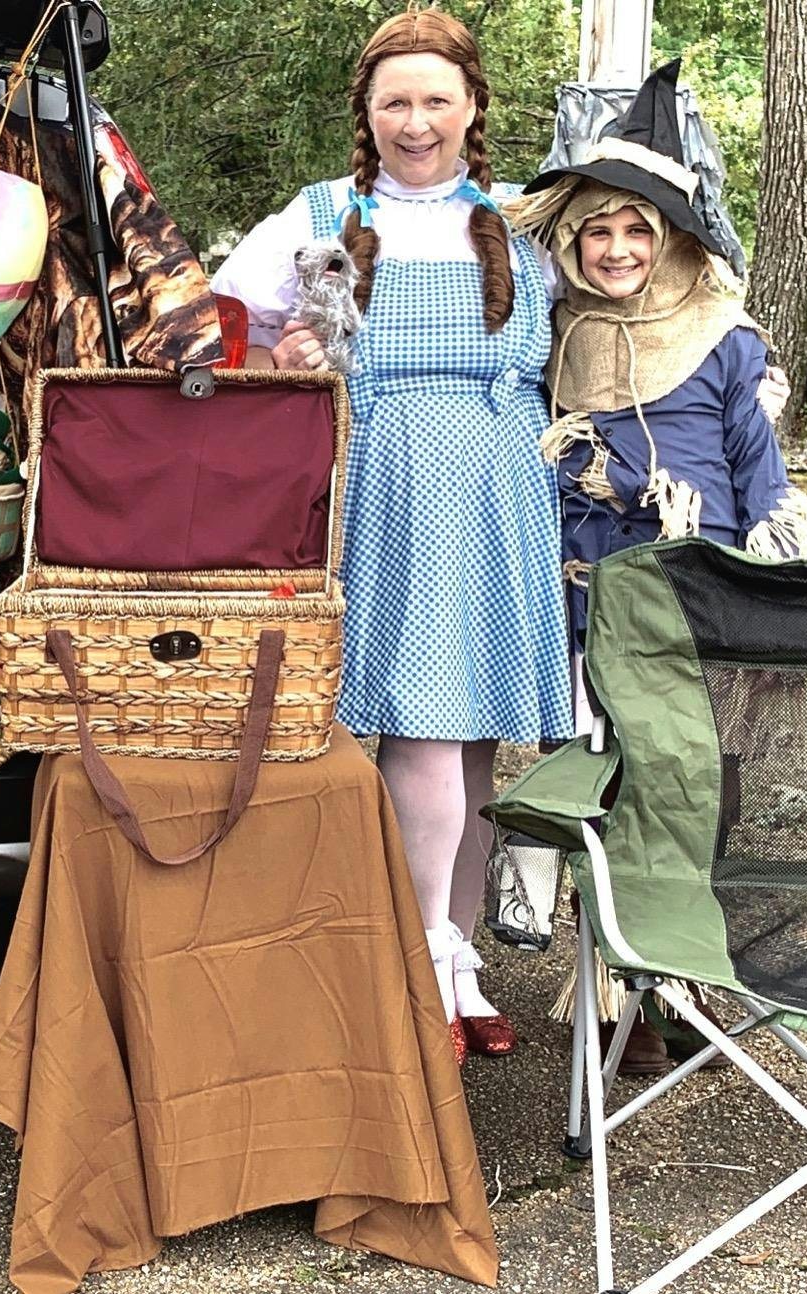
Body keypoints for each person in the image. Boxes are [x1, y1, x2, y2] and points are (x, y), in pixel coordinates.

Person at [212, 7, 572, 1065]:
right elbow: (224, 324)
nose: (416, 121)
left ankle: (453, 956)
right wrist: (284, 357)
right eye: (394, 102)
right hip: (383, 475)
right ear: (366, 116)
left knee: (470, 744)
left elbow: (628, 300)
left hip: (498, 481)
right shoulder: (320, 212)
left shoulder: (520, 220)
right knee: (418, 725)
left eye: (435, 100)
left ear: (470, 108)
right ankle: (413, 964)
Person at [507, 59, 807, 1073]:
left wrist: (752, 590)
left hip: (694, 599)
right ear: (570, 240)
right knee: (598, 781)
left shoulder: (722, 339)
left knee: (685, 787)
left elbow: (758, 473)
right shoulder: (551, 334)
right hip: (578, 594)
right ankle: (609, 982)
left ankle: (670, 982)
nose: (614, 248)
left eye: (636, 230)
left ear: (672, 240)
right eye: (596, 230)